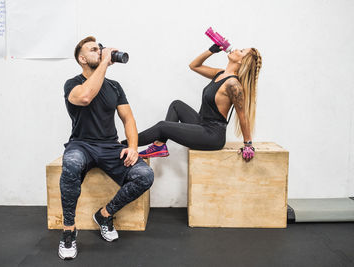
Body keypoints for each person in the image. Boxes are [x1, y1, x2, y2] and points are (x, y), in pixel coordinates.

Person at [58, 36, 154, 260]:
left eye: (100, 49)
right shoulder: (72, 84)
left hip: (110, 147)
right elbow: (85, 97)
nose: (100, 52)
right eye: (94, 50)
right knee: (70, 163)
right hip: (81, 145)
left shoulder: (114, 87)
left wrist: (132, 147)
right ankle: (68, 231)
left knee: (145, 175)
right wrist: (104, 63)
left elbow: (128, 119)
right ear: (82, 59)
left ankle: (104, 215)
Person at [122, 44, 262, 161]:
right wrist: (211, 51)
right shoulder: (221, 73)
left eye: (242, 51)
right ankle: (160, 145)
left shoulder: (233, 85)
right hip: (202, 123)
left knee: (162, 126)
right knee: (176, 105)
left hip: (212, 135)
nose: (237, 49)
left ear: (242, 62)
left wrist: (248, 144)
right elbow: (194, 65)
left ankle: (122, 145)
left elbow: (242, 115)